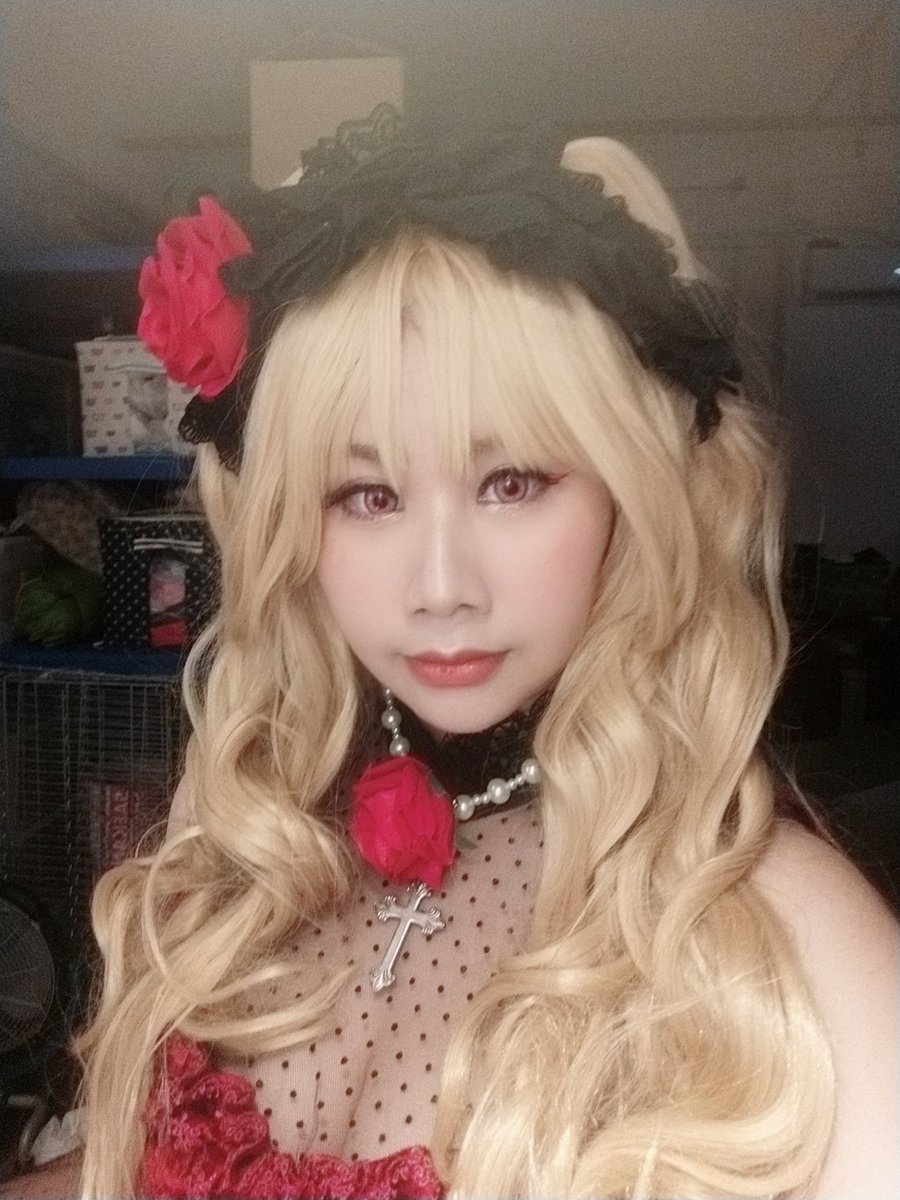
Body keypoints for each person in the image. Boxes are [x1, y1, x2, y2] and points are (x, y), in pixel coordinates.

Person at [15, 106, 899, 1199]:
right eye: (367, 494)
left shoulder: (782, 935)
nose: (440, 588)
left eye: (512, 482)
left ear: (632, 488)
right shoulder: (252, 844)